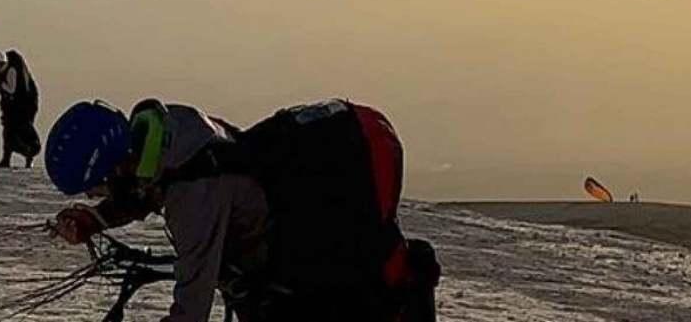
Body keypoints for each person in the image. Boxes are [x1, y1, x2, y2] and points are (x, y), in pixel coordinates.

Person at [45, 97, 440, 322]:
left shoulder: (194, 201)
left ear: (113, 167)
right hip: (284, 234)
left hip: (288, 265)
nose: (96, 193)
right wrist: (97, 220)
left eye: (94, 186)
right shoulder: (173, 129)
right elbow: (151, 185)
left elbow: (191, 310)